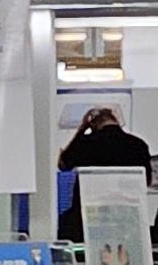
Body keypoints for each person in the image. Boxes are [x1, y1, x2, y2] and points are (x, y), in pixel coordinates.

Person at [56, 101, 151, 244]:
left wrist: (82, 129)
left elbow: (64, 164)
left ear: (94, 125)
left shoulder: (86, 144)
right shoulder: (139, 145)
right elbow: (146, 180)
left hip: (88, 218)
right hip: (126, 219)